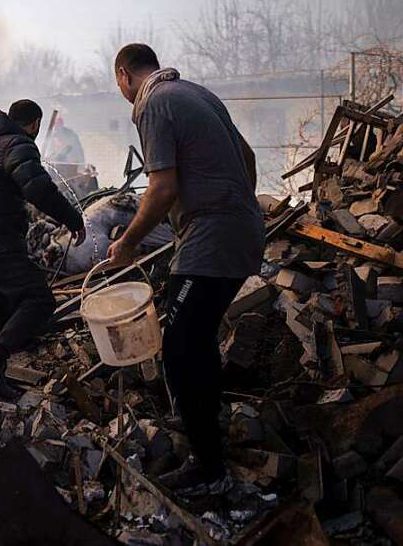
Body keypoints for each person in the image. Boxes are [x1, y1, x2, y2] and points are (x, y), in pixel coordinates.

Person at [106, 43, 264, 497]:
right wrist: (235, 208)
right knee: (197, 336)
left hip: (212, 237)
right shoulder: (197, 93)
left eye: (118, 84)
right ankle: (205, 428)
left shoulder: (153, 103)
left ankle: (208, 467)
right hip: (241, 230)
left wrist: (128, 242)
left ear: (123, 75)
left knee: (176, 343)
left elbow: (161, 187)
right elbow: (248, 159)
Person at [0, 99, 86, 399]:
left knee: (3, 317)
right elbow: (37, 187)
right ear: (34, 124)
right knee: (39, 300)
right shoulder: (19, 144)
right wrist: (72, 219)